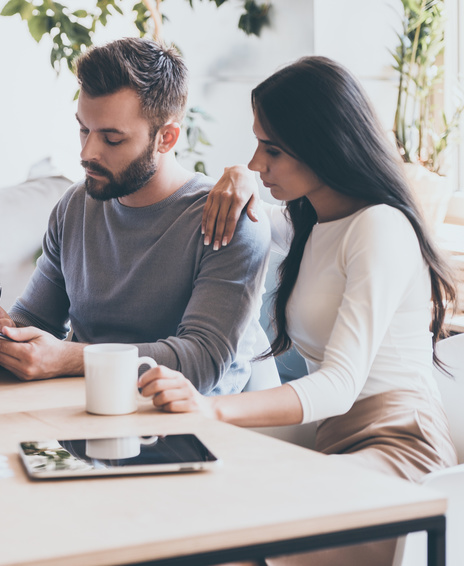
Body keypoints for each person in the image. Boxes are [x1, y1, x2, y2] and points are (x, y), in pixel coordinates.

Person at [143, 56, 458, 565]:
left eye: (272, 150)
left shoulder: (379, 227)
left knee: (237, 532)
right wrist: (236, 176)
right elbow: (248, 211)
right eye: (256, 145)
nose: (257, 163)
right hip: (336, 445)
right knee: (189, 507)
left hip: (399, 450)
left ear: (325, 144)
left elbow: (340, 385)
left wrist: (213, 408)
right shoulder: (310, 221)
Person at [0, 37, 271, 394]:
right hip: (82, 413)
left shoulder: (228, 218)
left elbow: (201, 361)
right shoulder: (75, 206)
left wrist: (69, 357)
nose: (87, 152)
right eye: (84, 129)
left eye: (111, 139)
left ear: (167, 138)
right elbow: (35, 319)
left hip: (187, 429)